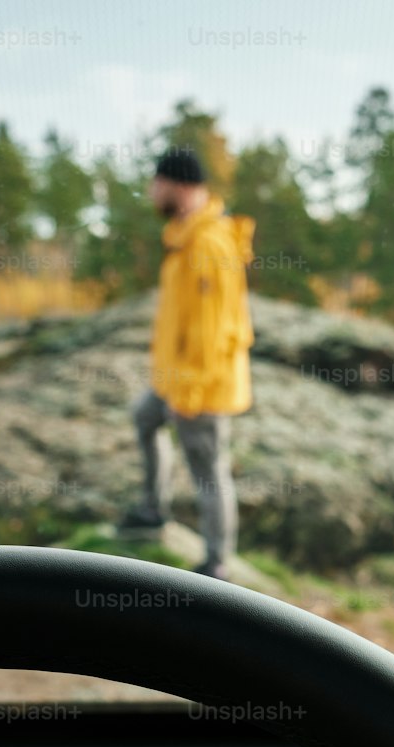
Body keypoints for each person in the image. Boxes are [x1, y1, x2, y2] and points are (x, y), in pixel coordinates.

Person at [120, 145, 255, 579]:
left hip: (201, 386)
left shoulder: (208, 245)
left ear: (178, 186)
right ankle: (151, 510)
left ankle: (218, 562)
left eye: (155, 183)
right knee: (144, 417)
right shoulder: (184, 239)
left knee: (209, 468)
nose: (150, 192)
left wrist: (191, 393)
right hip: (173, 380)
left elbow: (215, 333)